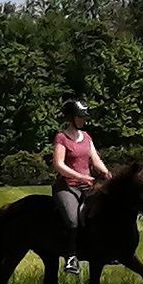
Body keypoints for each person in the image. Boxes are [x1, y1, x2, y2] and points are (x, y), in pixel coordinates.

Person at [52, 99, 111, 275]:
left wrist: (107, 173)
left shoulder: (86, 137)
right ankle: (71, 257)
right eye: (80, 117)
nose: (84, 120)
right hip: (67, 187)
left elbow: (95, 160)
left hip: (87, 186)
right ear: (71, 118)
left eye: (84, 117)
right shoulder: (61, 138)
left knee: (103, 213)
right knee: (72, 220)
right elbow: (59, 165)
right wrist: (80, 176)